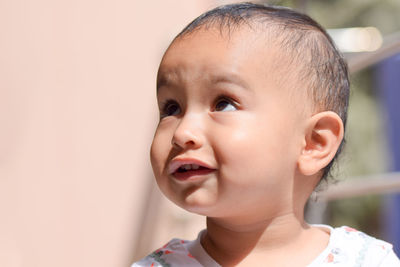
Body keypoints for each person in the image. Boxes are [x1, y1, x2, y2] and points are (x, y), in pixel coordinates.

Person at [133, 2, 400, 266]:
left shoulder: (366, 261)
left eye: (223, 103)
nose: (183, 132)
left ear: (313, 142)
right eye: (171, 108)